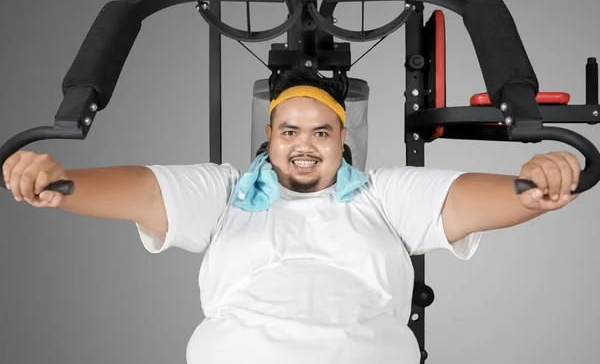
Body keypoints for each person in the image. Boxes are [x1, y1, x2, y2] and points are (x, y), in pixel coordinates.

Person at [2, 65, 581, 364]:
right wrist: (60, 185)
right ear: (270, 136)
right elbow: (149, 194)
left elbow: (466, 201)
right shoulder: (226, 194)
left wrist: (537, 184)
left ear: (341, 139)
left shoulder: (381, 196)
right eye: (290, 130)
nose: (305, 144)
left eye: (321, 131)